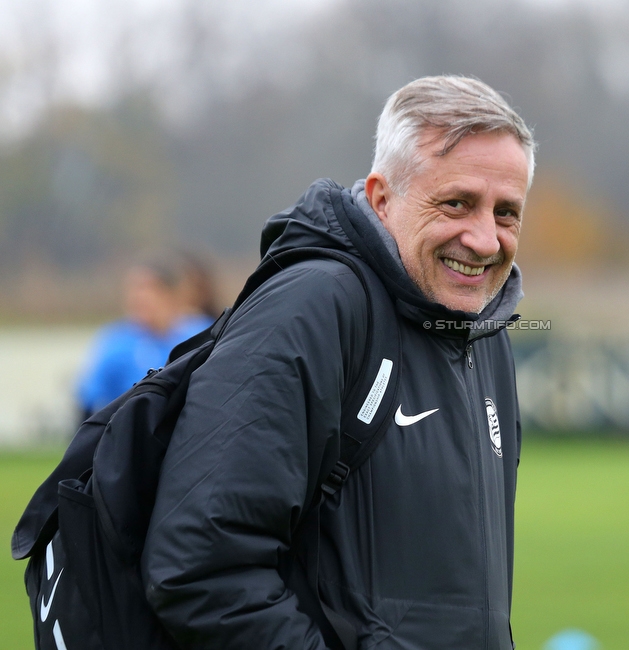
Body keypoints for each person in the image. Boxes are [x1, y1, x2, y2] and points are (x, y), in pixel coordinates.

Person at [141, 75, 536, 649]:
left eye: (506, 213)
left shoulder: (483, 331)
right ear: (381, 198)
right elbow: (201, 569)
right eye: (457, 203)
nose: (484, 240)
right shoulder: (313, 308)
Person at [75, 254, 217, 418]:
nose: (139, 296)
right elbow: (88, 401)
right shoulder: (115, 341)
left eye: (149, 288)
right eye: (134, 289)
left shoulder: (201, 333)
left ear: (172, 294)